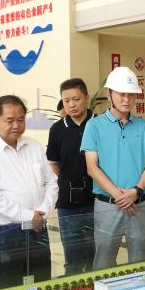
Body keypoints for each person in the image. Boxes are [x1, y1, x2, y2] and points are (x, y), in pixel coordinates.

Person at [0, 95, 58, 287]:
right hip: (2, 233)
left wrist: (42, 211)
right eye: (9, 120)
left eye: (21, 119)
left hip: (37, 227)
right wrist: (28, 216)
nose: (16, 125)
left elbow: (51, 182)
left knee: (39, 283)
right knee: (3, 288)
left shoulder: (34, 146)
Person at [81, 67, 145, 270]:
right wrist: (119, 197)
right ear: (109, 94)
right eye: (121, 94)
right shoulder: (94, 126)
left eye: (131, 94)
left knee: (141, 262)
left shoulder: (143, 126)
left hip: (139, 204)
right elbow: (92, 168)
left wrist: (136, 191)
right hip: (107, 205)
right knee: (103, 262)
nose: (126, 99)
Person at [47, 78, 96, 276]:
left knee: (96, 254)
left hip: (96, 199)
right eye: (66, 101)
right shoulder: (57, 129)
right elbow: (54, 163)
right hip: (67, 202)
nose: (71, 105)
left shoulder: (100, 124)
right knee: (72, 255)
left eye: (76, 99)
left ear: (86, 97)